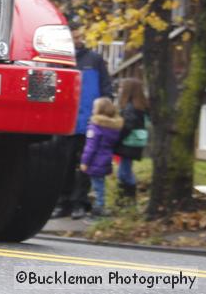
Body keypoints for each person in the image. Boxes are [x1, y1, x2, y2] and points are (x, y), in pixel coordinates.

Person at [52, 25, 112, 219]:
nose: (78, 39)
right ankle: (63, 202)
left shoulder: (94, 60)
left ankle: (80, 202)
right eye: (74, 36)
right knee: (65, 165)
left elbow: (106, 88)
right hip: (66, 124)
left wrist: (104, 114)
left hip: (89, 122)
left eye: (79, 36)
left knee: (85, 165)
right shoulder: (60, 61)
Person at [79, 97, 123, 217]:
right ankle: (98, 206)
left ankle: (99, 207)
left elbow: (90, 147)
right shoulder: (113, 128)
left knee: (97, 186)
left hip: (95, 161)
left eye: (94, 107)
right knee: (99, 184)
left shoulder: (95, 127)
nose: (92, 110)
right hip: (105, 160)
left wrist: (84, 162)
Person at [114, 78, 149, 205]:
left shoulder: (130, 108)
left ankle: (128, 199)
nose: (119, 90)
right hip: (135, 142)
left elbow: (127, 126)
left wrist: (116, 140)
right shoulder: (140, 106)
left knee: (124, 172)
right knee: (124, 170)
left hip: (128, 142)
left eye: (122, 88)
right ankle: (125, 199)